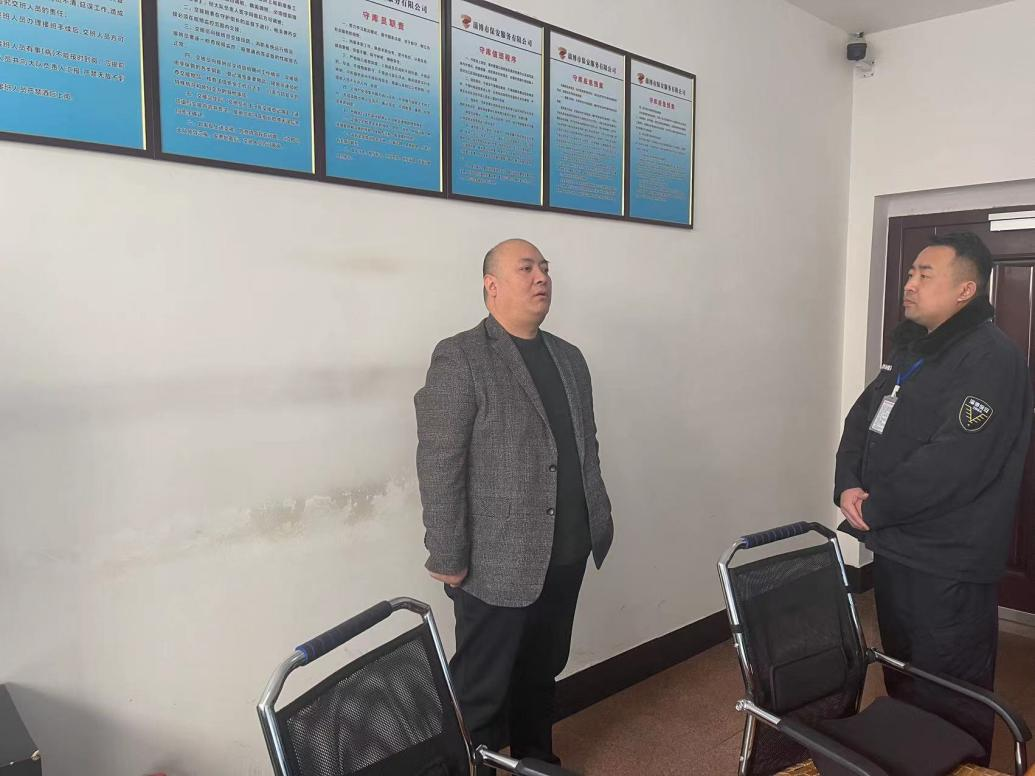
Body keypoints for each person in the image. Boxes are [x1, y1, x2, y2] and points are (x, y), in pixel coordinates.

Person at [414, 238, 614, 772]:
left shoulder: (569, 358)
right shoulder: (460, 357)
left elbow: (585, 445)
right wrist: (447, 554)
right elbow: (439, 463)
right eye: (526, 268)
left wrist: (597, 518)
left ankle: (536, 761)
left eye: (544, 268)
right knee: (481, 690)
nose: (541, 277)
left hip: (567, 551)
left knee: (541, 672)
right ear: (492, 286)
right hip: (495, 562)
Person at [834, 231, 1032, 761]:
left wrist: (874, 506)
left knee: (950, 688)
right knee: (904, 674)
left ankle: (959, 766)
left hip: (948, 559)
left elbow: (955, 462)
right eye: (910, 273)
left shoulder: (991, 358)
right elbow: (861, 419)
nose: (910, 283)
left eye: (925, 274)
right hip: (895, 544)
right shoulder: (912, 348)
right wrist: (847, 483)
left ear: (966, 289)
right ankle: (909, 760)